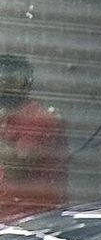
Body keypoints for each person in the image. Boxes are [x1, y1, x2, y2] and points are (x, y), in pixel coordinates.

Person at [0, 54, 68, 221]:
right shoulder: (7, 118)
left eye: (5, 80)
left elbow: (17, 170)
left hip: (31, 221)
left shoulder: (38, 119)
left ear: (23, 83)